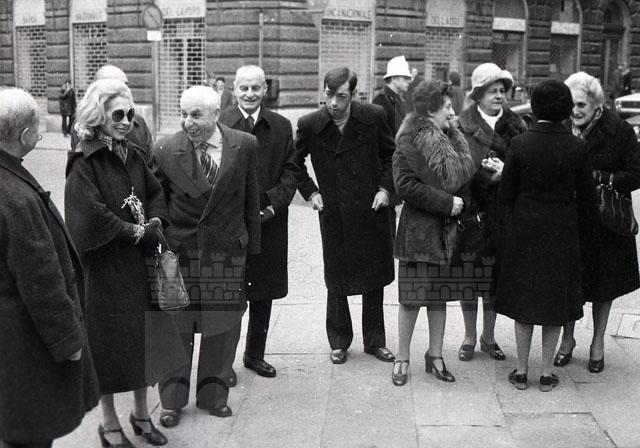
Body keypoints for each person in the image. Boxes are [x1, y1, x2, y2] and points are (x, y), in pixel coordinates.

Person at [65, 78, 187, 447]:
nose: (125, 121)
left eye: (130, 114)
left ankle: (140, 415)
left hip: (138, 267)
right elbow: (89, 217)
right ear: (98, 115)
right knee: (108, 350)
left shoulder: (131, 152)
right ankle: (109, 423)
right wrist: (135, 232)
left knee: (142, 346)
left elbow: (154, 191)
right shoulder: (84, 160)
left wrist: (155, 221)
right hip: (105, 271)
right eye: (117, 114)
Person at [152, 86, 260, 424]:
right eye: (183, 114)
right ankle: (172, 402)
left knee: (221, 328)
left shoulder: (244, 144)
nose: (187, 122)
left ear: (215, 114)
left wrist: (251, 250)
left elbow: (251, 199)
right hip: (179, 255)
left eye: (196, 115)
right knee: (176, 329)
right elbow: (157, 203)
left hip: (225, 252)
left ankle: (213, 397)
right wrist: (161, 250)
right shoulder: (165, 149)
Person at [0, 87, 99, 448]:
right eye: (37, 129)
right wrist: (68, 342)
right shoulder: (16, 197)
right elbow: (41, 277)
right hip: (24, 344)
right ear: (25, 135)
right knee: (29, 436)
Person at [494, 79, 597, 392]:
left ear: (535, 108)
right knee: (555, 304)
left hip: (525, 233)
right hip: (562, 234)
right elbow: (588, 200)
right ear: (566, 109)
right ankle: (547, 372)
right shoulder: (577, 147)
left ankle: (521, 370)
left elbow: (506, 195)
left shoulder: (520, 144)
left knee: (524, 303)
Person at [296, 67, 396, 365]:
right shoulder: (310, 124)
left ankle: (375, 341)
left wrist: (385, 189)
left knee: (374, 277)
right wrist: (311, 193)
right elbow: (294, 163)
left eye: (341, 96)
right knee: (337, 277)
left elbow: (391, 156)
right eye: (329, 95)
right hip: (335, 213)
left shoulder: (374, 116)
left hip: (372, 209)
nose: (334, 103)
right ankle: (339, 341)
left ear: (353, 95)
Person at [391, 81, 476, 386]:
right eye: (448, 107)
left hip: (446, 233)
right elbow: (405, 186)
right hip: (419, 232)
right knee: (411, 299)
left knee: (440, 297)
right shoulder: (409, 140)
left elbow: (463, 180)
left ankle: (435, 355)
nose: (453, 112)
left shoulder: (452, 138)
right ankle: (402, 357)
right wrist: (446, 202)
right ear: (430, 110)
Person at [554, 72, 640, 373]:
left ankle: (598, 342)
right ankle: (567, 339)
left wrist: (603, 177)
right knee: (569, 283)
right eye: (571, 105)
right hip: (571, 219)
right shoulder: (561, 127)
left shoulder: (619, 130)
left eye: (581, 105)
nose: (575, 111)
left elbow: (637, 173)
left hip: (605, 223)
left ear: (596, 104)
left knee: (604, 286)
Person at [219, 65, 299, 378]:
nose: (250, 94)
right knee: (231, 294)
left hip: (270, 222)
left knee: (263, 292)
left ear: (265, 89)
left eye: (256, 88)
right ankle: (224, 363)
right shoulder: (222, 123)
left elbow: (292, 171)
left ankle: (255, 355)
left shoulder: (280, 126)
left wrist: (272, 205)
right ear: (234, 90)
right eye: (244, 88)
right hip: (232, 223)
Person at [456, 63, 528, 362]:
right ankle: (469, 336)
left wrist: (506, 173)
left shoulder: (517, 125)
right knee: (469, 277)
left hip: (504, 212)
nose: (499, 96)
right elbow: (456, 169)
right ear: (478, 95)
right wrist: (488, 177)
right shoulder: (462, 125)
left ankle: (489, 336)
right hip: (472, 212)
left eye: (502, 90)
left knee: (495, 278)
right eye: (492, 91)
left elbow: (526, 166)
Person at [71, 64, 154, 165]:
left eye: (126, 86)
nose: (125, 92)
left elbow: (150, 163)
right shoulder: (83, 127)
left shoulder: (139, 122)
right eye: (117, 87)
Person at [373, 55, 411, 137]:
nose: (409, 81)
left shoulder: (397, 99)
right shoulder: (381, 100)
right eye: (405, 78)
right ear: (394, 79)